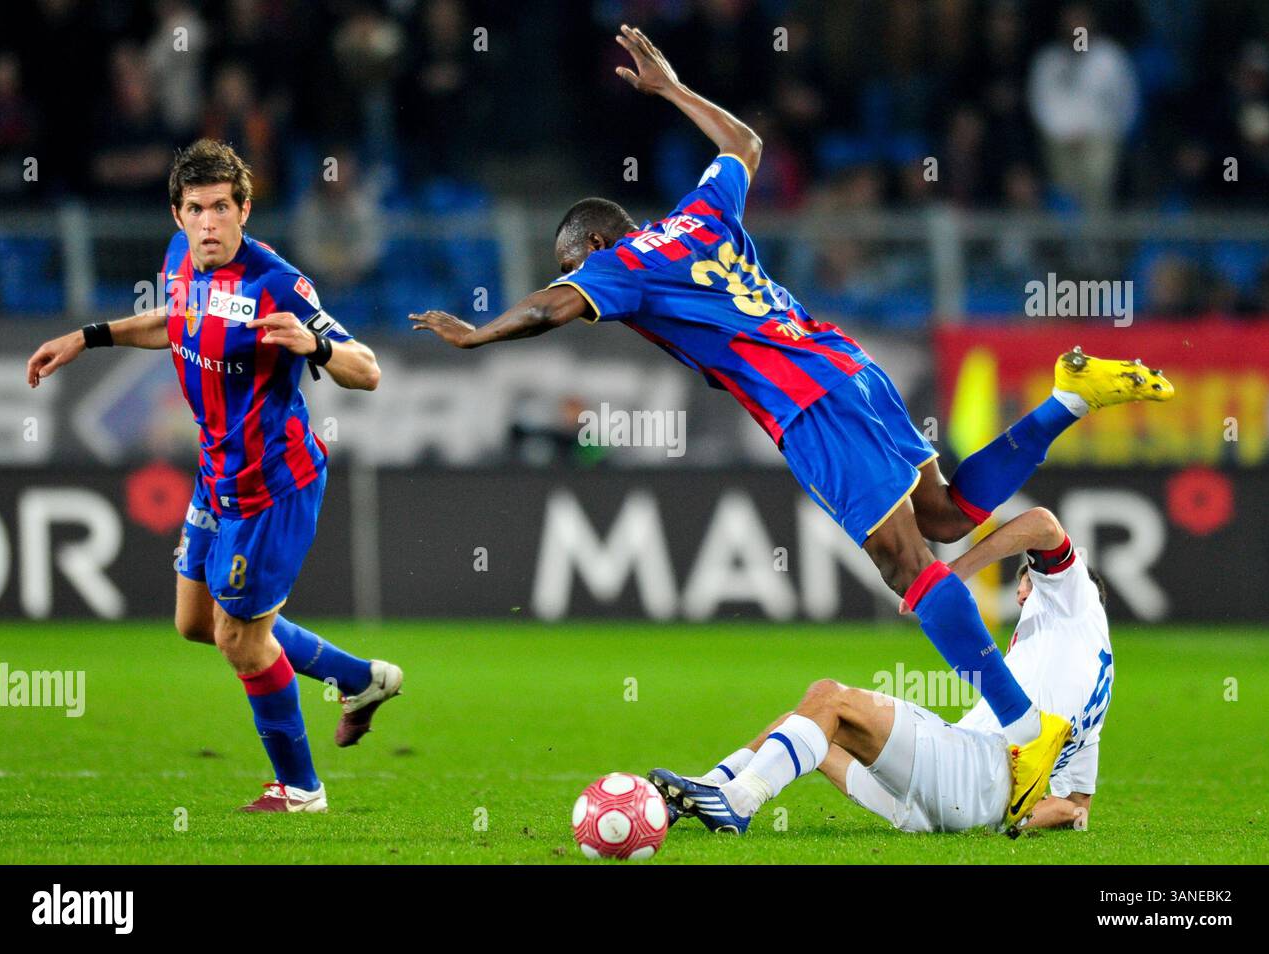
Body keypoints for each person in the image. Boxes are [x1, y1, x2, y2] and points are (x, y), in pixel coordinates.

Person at [410, 25, 1169, 826]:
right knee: (946, 517)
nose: (580, 279)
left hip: (807, 405)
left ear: (595, 243)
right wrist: (670, 89)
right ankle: (1066, 402)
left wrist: (480, 333)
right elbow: (744, 141)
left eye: (576, 264)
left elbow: (549, 309)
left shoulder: (619, 264)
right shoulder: (700, 215)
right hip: (850, 365)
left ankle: (1024, 732)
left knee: (907, 565)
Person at [26, 139, 400, 813]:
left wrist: (315, 345)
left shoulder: (277, 283)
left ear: (244, 209)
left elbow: (367, 370)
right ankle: (357, 677)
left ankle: (302, 790)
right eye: (196, 209)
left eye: (222, 207)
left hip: (273, 485)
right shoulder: (178, 259)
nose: (209, 223)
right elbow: (175, 324)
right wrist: (87, 337)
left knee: (239, 639)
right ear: (177, 214)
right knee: (196, 621)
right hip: (215, 474)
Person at [650, 507, 1112, 836]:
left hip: (970, 773)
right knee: (808, 719)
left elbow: (1042, 524)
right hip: (945, 809)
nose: (1021, 594)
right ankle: (711, 787)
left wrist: (955, 570)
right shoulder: (1095, 682)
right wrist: (1017, 821)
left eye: (1027, 581)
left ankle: (738, 803)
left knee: (831, 696)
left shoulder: (1076, 601)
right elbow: (1076, 805)